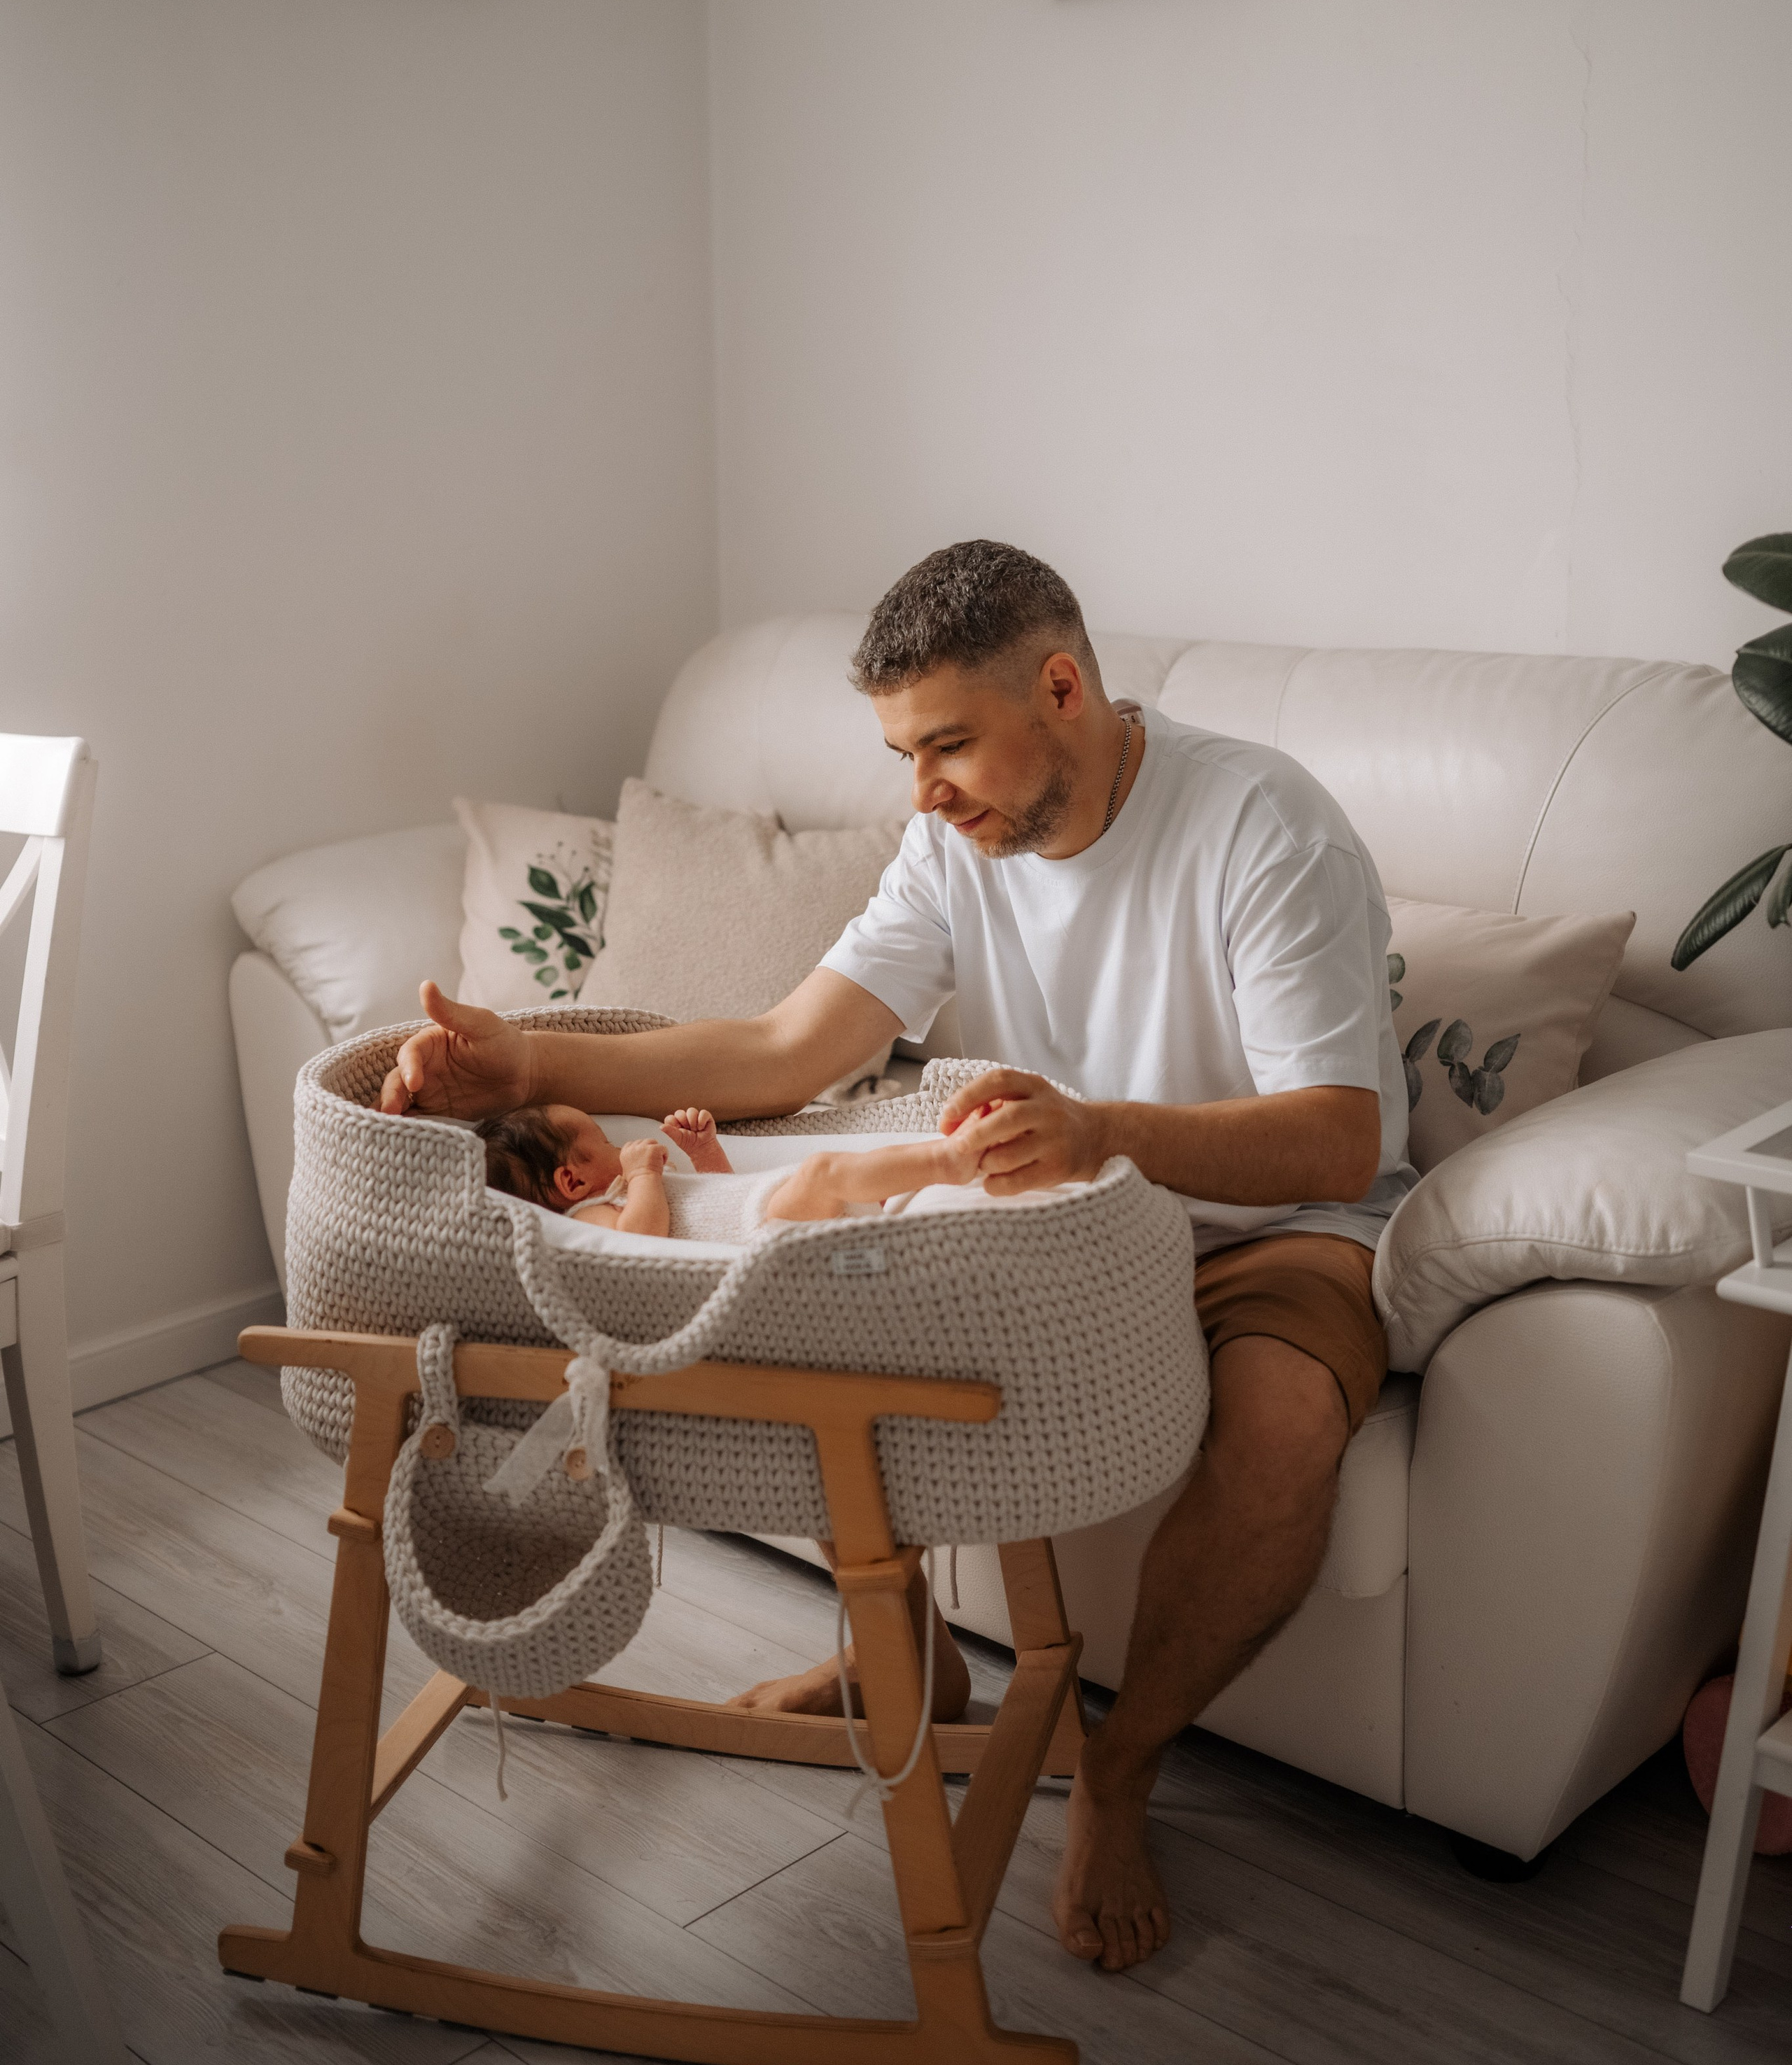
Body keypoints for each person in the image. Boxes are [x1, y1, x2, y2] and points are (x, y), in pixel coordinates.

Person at [382, 539, 1414, 1977]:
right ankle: (906, 1655)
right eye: (899, 753)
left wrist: (1102, 1128)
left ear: (1060, 688)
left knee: (1286, 1426)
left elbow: (1335, 1143)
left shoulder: (1258, 828)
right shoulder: (951, 840)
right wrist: (523, 1060)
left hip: (1260, 1226)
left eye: (944, 747)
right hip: (1042, 1209)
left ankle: (1118, 1771)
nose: (918, 792)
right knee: (808, 1264)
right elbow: (784, 1049)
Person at [475, 1096, 1045, 1236]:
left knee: (840, 1170)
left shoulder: (632, 1187)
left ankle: (930, 1166)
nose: (617, 1144)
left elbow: (715, 1199)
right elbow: (641, 1241)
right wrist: (646, 1175)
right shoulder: (592, 1218)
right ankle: (947, 1157)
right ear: (571, 1179)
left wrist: (704, 1157)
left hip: (759, 1206)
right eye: (601, 1141)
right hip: (765, 1236)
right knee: (825, 1170)